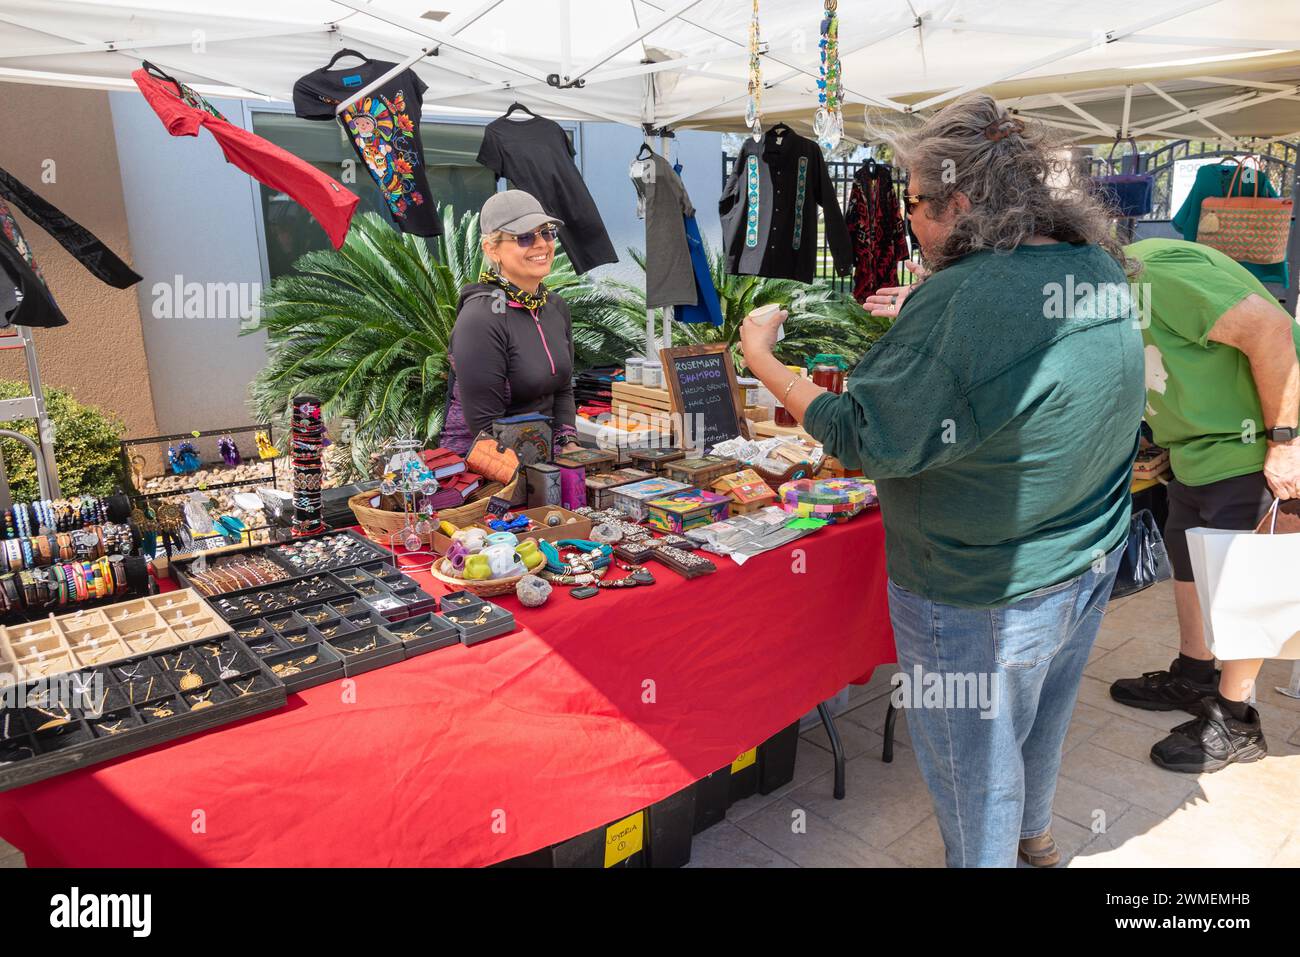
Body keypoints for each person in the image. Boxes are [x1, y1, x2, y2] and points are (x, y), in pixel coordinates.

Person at [740, 94, 1145, 868]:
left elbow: (865, 438)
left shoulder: (967, 296)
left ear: (960, 202)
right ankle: (1037, 837)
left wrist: (763, 357)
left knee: (975, 770)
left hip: (984, 586)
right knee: (1042, 722)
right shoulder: (1089, 263)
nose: (910, 222)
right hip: (1086, 557)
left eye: (916, 204)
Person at [1108, 237, 1300, 772]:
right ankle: (1194, 675)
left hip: (1255, 444)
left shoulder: (1150, 275)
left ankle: (1237, 719)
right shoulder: (1110, 292)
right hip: (1197, 450)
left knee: (1249, 582)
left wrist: (1285, 443)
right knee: (1188, 560)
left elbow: (1270, 329)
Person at [439, 189, 582, 456]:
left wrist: (569, 445)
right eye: (524, 237)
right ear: (492, 250)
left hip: (543, 456)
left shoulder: (555, 308)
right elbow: (485, 427)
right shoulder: (481, 318)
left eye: (546, 232)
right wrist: (545, 474)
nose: (541, 244)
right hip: (486, 469)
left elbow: (562, 388)